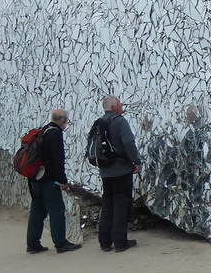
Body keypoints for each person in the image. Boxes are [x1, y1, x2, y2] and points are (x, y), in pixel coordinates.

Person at [25, 109, 82, 254]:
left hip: (35, 178)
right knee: (57, 211)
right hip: (49, 180)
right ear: (64, 121)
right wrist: (63, 181)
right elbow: (58, 160)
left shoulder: (43, 130)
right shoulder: (55, 134)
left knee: (37, 211)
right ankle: (61, 243)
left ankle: (32, 243)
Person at [95, 96, 142, 253]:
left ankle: (105, 242)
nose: (122, 105)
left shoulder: (98, 123)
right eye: (119, 103)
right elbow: (128, 143)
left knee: (108, 205)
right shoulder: (119, 121)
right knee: (121, 205)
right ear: (114, 107)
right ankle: (120, 241)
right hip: (121, 170)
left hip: (105, 171)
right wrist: (136, 161)